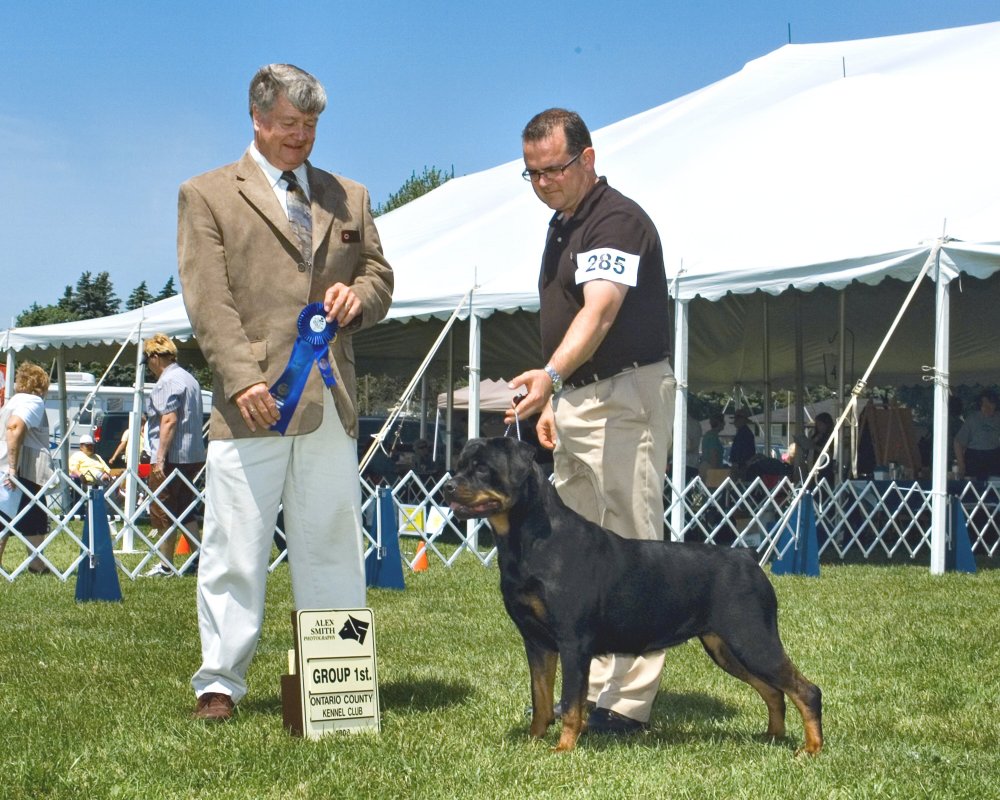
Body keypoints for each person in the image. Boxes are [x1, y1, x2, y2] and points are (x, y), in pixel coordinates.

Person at [178, 64, 393, 722]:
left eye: (313, 127)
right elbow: (208, 300)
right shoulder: (207, 194)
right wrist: (242, 379)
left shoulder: (348, 195)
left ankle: (336, 680)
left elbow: (379, 274)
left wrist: (359, 296)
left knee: (331, 541)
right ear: (258, 119)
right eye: (292, 126)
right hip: (252, 403)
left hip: (330, 398)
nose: (303, 138)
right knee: (235, 545)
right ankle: (220, 682)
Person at [504, 108, 675, 735]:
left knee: (631, 544)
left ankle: (627, 704)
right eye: (532, 174)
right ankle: (588, 689)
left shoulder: (616, 220)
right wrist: (556, 396)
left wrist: (548, 376)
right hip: (579, 397)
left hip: (623, 394)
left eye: (554, 168)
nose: (545, 182)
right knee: (578, 555)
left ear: (589, 158)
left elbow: (600, 314)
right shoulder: (563, 224)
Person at [141, 333, 207, 577]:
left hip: (172, 456)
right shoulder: (189, 378)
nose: (148, 366)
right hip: (193, 454)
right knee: (185, 508)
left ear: (155, 357)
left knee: (162, 509)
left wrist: (159, 456)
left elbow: (168, 419)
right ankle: (200, 556)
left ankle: (166, 564)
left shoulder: (167, 382)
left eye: (148, 360)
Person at [0, 362, 54, 574]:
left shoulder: (11, 401)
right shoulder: (33, 401)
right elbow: (14, 428)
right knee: (8, 516)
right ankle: (36, 564)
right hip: (21, 469)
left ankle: (36, 564)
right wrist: (13, 469)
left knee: (32, 515)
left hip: (12, 466)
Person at [954, 389, 1000, 480]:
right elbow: (958, 442)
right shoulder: (973, 419)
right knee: (974, 488)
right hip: (974, 457)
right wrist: (961, 464)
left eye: (990, 403)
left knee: (994, 486)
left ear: (995, 404)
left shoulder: (998, 418)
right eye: (983, 404)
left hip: (993, 456)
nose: (987, 407)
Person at [729, 408, 756, 479]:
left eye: (737, 419)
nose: (735, 421)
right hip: (740, 465)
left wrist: (738, 464)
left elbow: (744, 451)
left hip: (741, 466)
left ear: (742, 420)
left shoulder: (745, 434)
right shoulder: (741, 432)